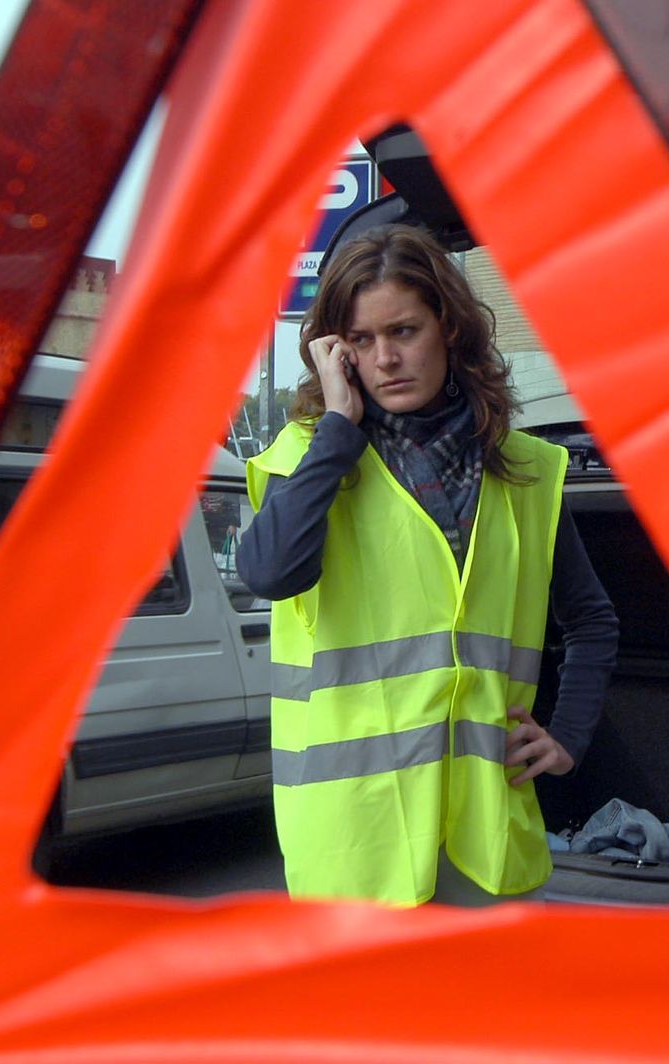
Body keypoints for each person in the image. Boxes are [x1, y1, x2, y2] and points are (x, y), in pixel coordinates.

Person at [238, 224, 617, 907]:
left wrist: (568, 738)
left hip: (483, 834)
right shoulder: (310, 456)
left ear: (448, 328)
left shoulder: (527, 470)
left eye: (404, 331)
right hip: (356, 842)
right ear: (336, 352)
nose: (385, 358)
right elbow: (269, 574)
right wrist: (338, 432)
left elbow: (591, 618)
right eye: (359, 340)